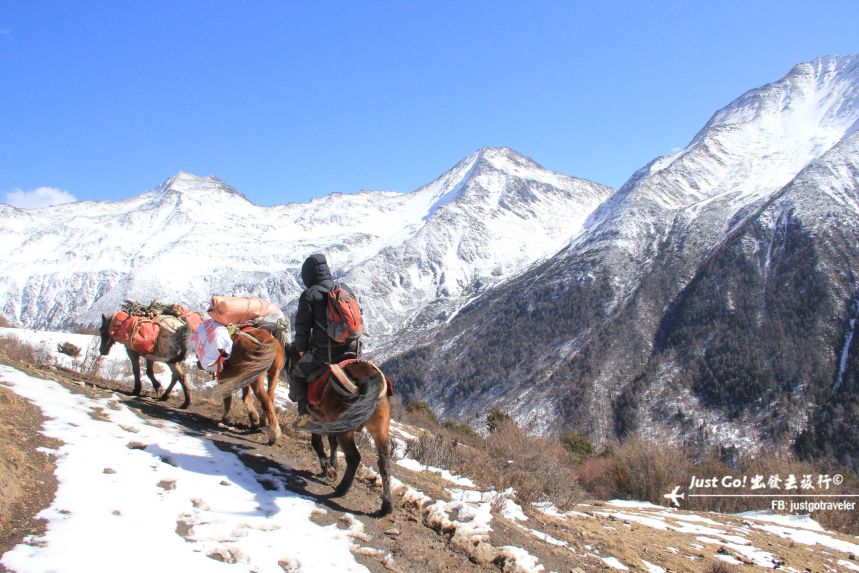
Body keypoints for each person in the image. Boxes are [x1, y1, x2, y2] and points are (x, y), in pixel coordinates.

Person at [290, 253, 361, 427]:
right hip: (353, 349)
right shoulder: (344, 289)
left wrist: (301, 350)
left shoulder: (310, 294)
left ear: (308, 274)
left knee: (297, 374)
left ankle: (305, 414)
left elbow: (302, 328)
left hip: (325, 354)